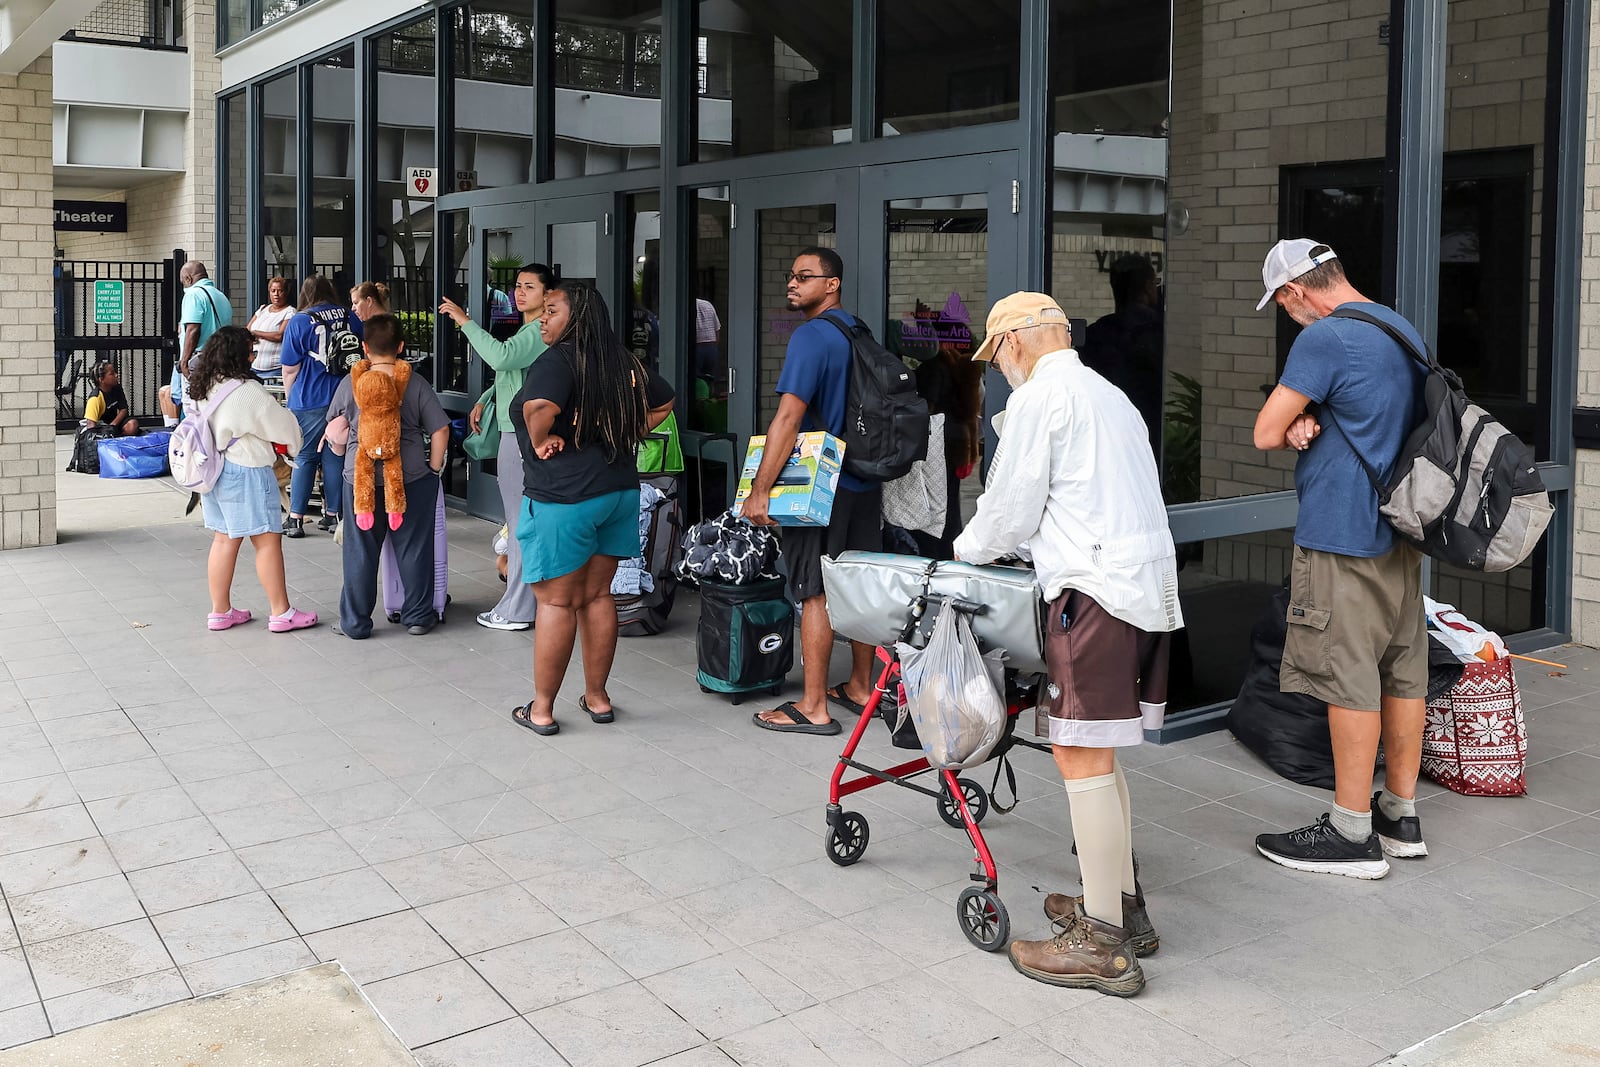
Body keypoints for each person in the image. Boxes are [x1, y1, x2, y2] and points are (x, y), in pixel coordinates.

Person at [951, 291, 1182, 998]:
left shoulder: (1040, 399)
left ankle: (1102, 945)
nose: (1000, 371)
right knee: (1099, 752)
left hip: (1092, 593)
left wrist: (963, 555)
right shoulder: (1109, 394)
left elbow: (1011, 506)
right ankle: (1120, 906)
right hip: (1143, 591)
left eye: (997, 358)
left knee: (1080, 752)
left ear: (1015, 344)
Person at [1250, 239, 1430, 879]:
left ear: (1297, 292)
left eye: (1282, 304)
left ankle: (1352, 834)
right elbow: (1374, 413)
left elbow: (1266, 431)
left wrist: (1295, 418)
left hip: (1341, 534)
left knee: (1347, 673)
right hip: (1401, 531)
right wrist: (1310, 414)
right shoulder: (1399, 327)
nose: (1287, 316)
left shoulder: (1324, 338)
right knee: (1402, 669)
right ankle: (1399, 815)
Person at [507, 280, 673, 736]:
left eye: (553, 310)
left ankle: (541, 709)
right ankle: (597, 698)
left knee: (558, 602)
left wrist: (540, 440)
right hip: (617, 492)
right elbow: (665, 399)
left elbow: (538, 407)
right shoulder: (619, 360)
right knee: (598, 596)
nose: (544, 317)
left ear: (577, 316)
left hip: (567, 496)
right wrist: (621, 430)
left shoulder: (558, 359)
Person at [742, 247, 880, 736]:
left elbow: (788, 417)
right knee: (858, 586)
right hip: (864, 481)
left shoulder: (811, 337)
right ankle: (862, 685)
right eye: (790, 275)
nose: (792, 284)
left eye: (805, 276)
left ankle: (815, 705)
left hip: (821, 488)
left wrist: (761, 490)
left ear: (833, 283)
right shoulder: (858, 331)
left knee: (814, 591)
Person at [439, 263, 558, 632]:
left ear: (547, 296)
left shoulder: (537, 332)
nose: (520, 293)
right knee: (521, 521)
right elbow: (513, 372)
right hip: (517, 429)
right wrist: (486, 397)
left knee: (520, 522)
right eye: (517, 286)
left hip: (519, 435)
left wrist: (464, 321)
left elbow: (503, 357)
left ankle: (520, 608)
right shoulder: (532, 330)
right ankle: (526, 603)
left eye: (530, 287)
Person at [325, 313, 450, 639]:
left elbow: (336, 431)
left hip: (360, 481)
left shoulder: (349, 383)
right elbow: (440, 429)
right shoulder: (416, 383)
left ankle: (355, 623)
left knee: (359, 553)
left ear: (364, 347)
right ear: (401, 346)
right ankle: (419, 616)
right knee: (414, 548)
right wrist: (433, 470)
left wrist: (343, 458)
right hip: (410, 479)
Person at [187, 326, 317, 634]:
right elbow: (286, 430)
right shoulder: (247, 392)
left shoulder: (204, 386)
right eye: (251, 351)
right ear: (239, 356)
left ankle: (220, 612)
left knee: (223, 539)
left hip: (214, 471)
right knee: (267, 541)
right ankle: (281, 612)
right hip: (246, 470)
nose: (254, 356)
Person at [281, 274, 364, 538]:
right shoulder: (350, 317)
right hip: (344, 395)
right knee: (335, 455)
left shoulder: (300, 321)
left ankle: (295, 518)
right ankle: (333, 515)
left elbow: (290, 368)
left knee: (305, 456)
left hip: (309, 398)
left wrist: (290, 398)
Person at [1081, 255, 1164, 452]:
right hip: (1149, 435)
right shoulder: (1161, 334)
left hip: (1104, 436)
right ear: (1147, 287)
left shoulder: (1095, 334)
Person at [160, 261, 234, 425]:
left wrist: (184, 361)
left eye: (182, 282)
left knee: (192, 406)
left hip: (199, 359)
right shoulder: (220, 295)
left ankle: (190, 443)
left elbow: (193, 330)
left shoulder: (193, 295)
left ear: (188, 278)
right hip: (222, 358)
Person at [247, 277, 295, 379]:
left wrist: (257, 334)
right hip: (254, 367)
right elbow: (247, 329)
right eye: (273, 291)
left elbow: (280, 335)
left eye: (280, 291)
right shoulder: (263, 309)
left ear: (286, 292)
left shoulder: (290, 312)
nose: (276, 294)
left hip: (274, 370)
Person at [83, 360, 139, 437]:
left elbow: (123, 409)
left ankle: (118, 438)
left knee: (132, 425)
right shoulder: (95, 398)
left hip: (114, 423)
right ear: (101, 379)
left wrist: (113, 425)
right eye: (112, 374)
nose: (116, 375)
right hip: (101, 427)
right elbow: (91, 424)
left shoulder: (117, 388)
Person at [693, 296, 722, 382]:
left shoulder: (686, 305)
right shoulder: (708, 305)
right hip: (711, 347)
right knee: (710, 379)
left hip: (697, 347)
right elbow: (717, 328)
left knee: (696, 380)